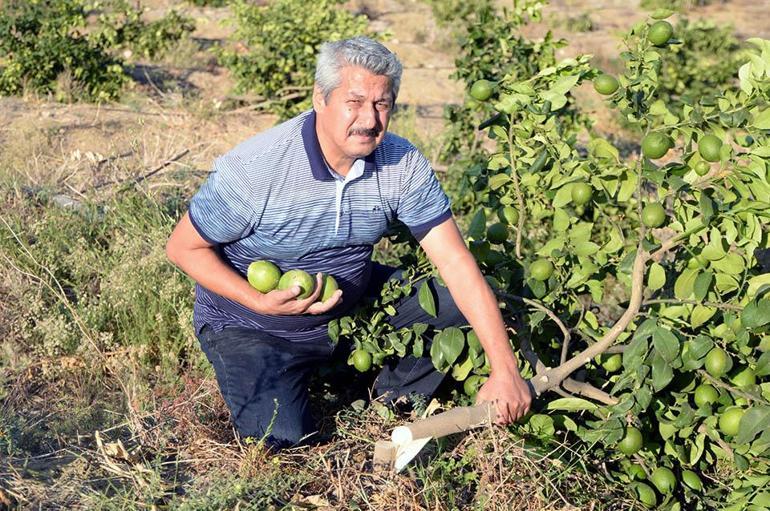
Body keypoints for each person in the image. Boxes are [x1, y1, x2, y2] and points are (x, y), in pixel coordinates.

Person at [165, 36, 531, 449]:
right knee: (283, 440)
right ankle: (304, 381)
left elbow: (456, 263)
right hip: (252, 325)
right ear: (320, 99)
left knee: (449, 300)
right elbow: (182, 248)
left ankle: (391, 409)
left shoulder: (401, 163)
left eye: (382, 104)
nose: (369, 120)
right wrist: (257, 300)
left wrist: (506, 370)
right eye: (354, 102)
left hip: (348, 311)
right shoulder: (257, 169)